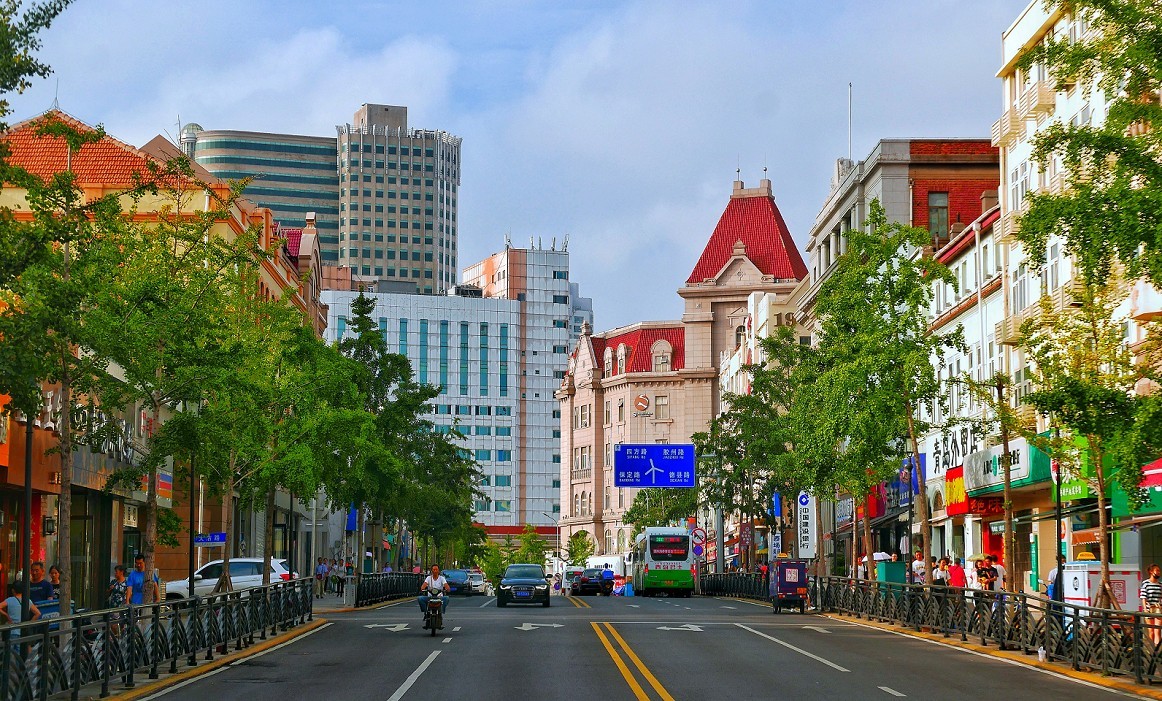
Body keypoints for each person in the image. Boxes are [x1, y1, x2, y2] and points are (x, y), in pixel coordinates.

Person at [1142, 564, 1162, 646]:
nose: (1158, 572)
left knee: (1158, 630)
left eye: (1159, 571)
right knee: (1151, 631)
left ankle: (1157, 650)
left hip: (1158, 608)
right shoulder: (1146, 583)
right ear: (1151, 572)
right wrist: (1145, 609)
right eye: (1157, 570)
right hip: (1149, 608)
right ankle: (1151, 650)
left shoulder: (1160, 584)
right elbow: (1143, 597)